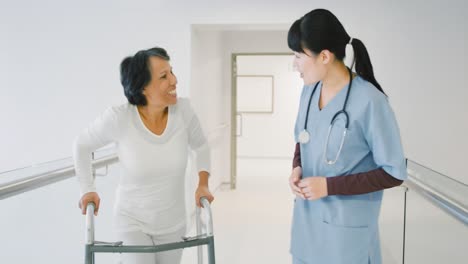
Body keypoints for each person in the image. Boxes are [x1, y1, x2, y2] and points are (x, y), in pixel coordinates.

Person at [73, 47, 214, 264]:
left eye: (172, 72)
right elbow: (82, 145)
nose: (174, 80)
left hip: (174, 223)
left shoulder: (183, 111)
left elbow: (201, 146)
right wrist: (87, 190)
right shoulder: (120, 118)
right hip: (133, 222)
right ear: (144, 87)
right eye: (164, 76)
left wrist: (203, 183)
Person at [287, 9, 407, 264]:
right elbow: (303, 136)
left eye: (298, 55)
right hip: (307, 230)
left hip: (345, 239)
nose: (294, 63)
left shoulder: (370, 102)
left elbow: (394, 172)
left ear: (324, 57)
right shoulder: (308, 93)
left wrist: (328, 186)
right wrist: (297, 166)